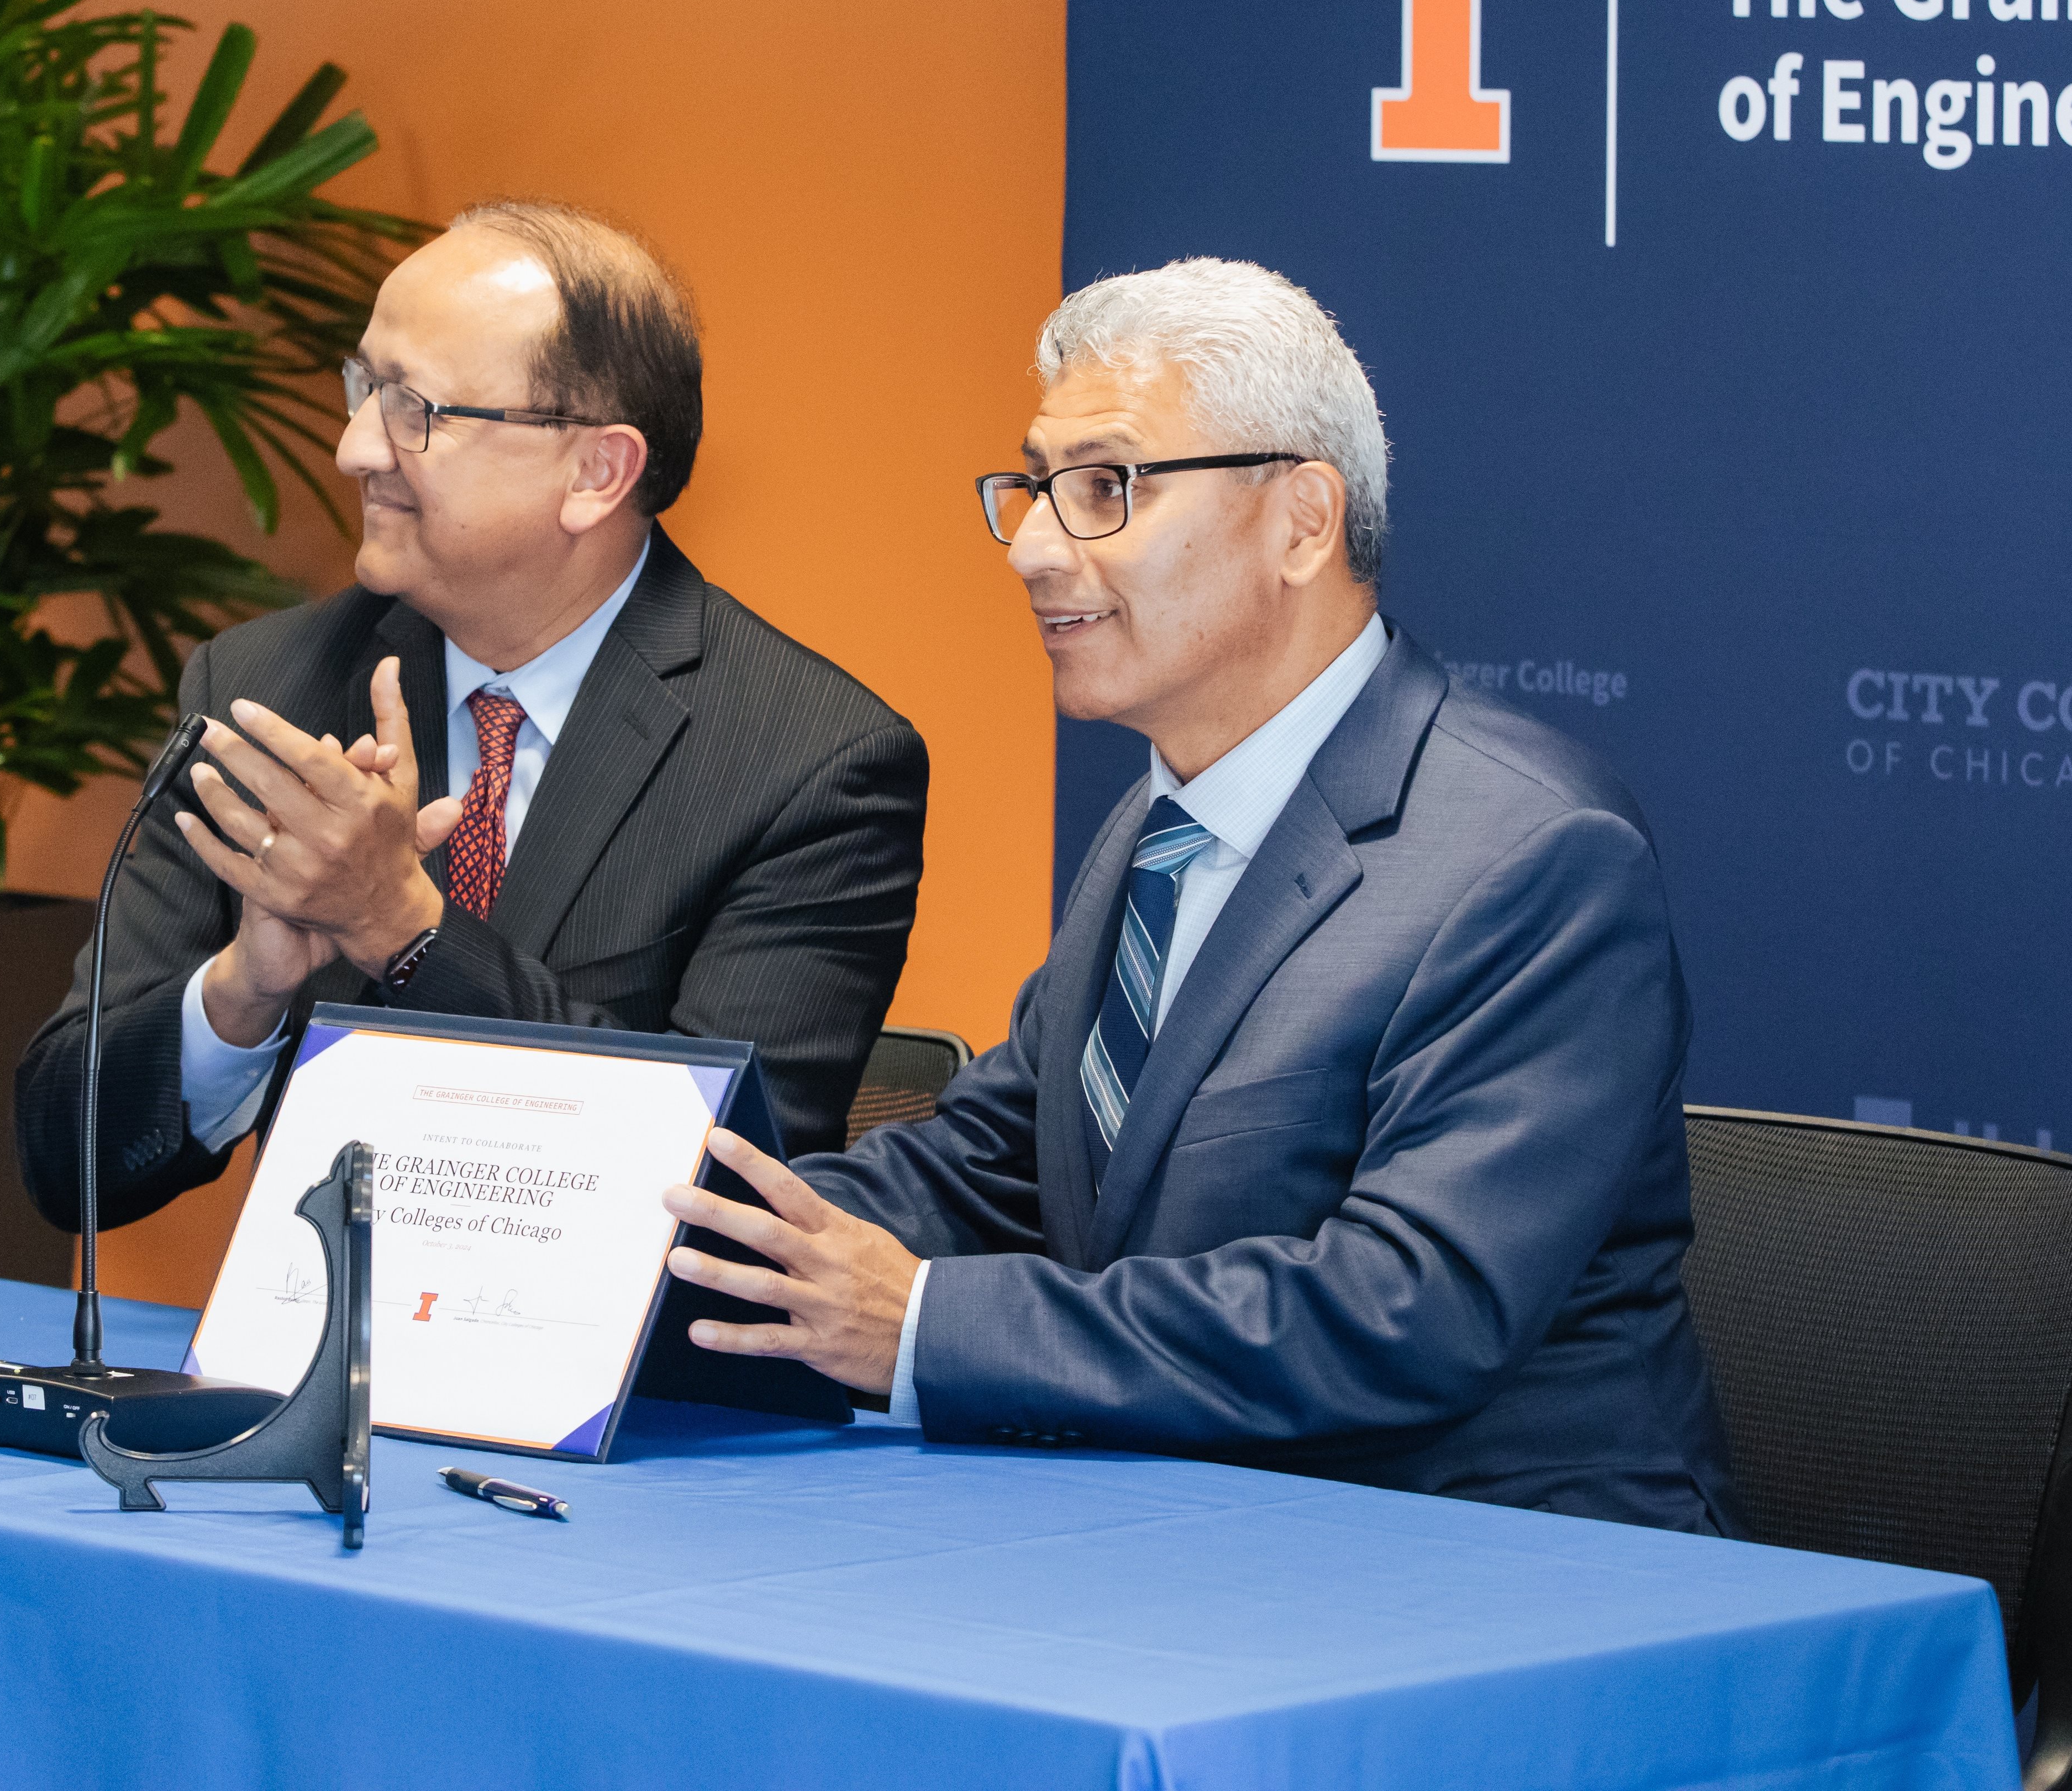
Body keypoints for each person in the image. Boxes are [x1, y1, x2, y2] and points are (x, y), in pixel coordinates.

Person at [660, 259, 1738, 1531]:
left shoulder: (1534, 855)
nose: (1035, 548)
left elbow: (1407, 1308)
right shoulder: (1162, 820)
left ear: (1299, 519)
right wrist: (672, 1244)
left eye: (1105, 489)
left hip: (1498, 1559)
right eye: (1032, 490)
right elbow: (987, 1161)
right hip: (1188, 1517)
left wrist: (921, 1322)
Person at [16, 201, 928, 1231]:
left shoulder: (810, 763)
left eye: (416, 409)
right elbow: (66, 1165)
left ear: (595, 472)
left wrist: (400, 926)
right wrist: (241, 991)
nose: (354, 447)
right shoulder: (265, 689)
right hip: (310, 1362)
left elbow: (718, 1197)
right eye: (364, 387)